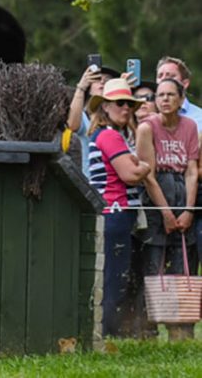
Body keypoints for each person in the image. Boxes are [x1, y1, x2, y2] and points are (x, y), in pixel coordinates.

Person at [134, 77, 199, 340]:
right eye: (159, 95)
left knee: (184, 266)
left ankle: (182, 332)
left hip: (182, 194)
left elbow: (192, 171)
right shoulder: (146, 128)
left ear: (181, 99)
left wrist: (188, 210)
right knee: (153, 265)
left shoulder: (190, 126)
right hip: (156, 199)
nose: (164, 99)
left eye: (171, 95)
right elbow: (147, 175)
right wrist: (166, 212)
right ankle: (146, 332)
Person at [87, 78, 152, 337]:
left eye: (129, 104)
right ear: (105, 107)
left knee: (115, 276)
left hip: (116, 214)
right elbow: (130, 174)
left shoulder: (108, 135)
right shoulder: (111, 136)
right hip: (116, 213)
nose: (126, 108)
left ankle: (108, 333)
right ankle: (107, 335)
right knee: (114, 279)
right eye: (119, 103)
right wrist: (145, 167)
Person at [156, 57, 202, 126]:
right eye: (160, 76)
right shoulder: (147, 111)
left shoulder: (199, 118)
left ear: (185, 83)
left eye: (170, 76)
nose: (163, 79)